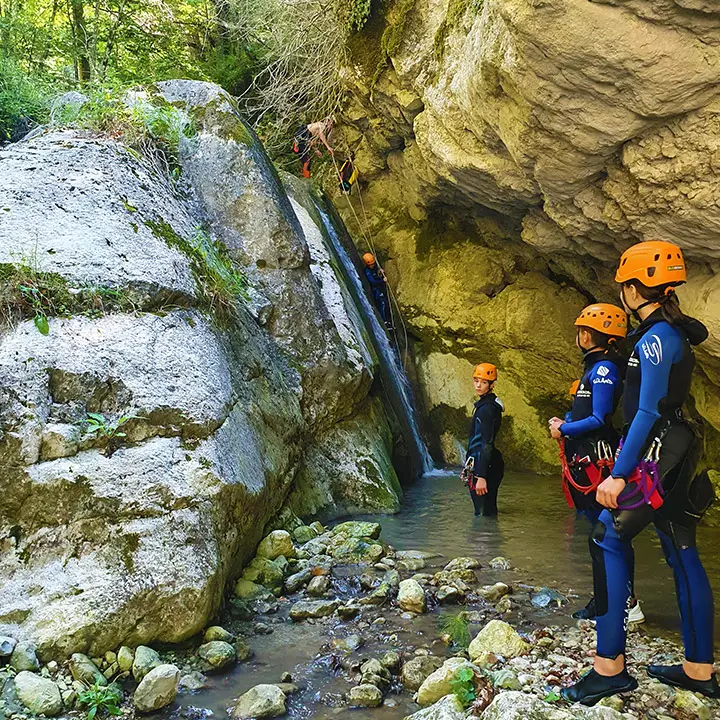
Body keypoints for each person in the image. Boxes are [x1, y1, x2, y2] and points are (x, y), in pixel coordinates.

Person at [562, 240, 718, 706]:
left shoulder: (653, 340)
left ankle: (608, 668)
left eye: (624, 287)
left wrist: (619, 474)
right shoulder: (673, 332)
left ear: (633, 288)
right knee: (681, 548)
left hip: (656, 454)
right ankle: (697, 669)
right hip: (680, 450)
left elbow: (647, 413)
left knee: (607, 535)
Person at [548, 304, 644, 625]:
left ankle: (620, 602)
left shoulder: (603, 369)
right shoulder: (597, 367)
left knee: (606, 533)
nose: (578, 336)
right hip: (587, 457)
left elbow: (599, 417)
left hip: (596, 460)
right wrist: (568, 421)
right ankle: (609, 599)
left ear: (587, 335)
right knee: (602, 533)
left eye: (580, 331)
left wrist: (564, 428)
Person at [464, 363, 505, 517]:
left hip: (483, 465)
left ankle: (485, 539)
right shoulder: (489, 405)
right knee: (487, 511)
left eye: (483, 382)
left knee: (482, 514)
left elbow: (486, 443)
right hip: (486, 462)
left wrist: (481, 476)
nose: (478, 385)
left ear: (492, 385)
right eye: (476, 380)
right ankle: (490, 538)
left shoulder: (486, 410)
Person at [362, 253, 393, 330]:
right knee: (382, 303)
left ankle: (388, 321)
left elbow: (376, 272)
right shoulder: (367, 271)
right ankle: (384, 322)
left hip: (380, 288)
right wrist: (383, 281)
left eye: (373, 263)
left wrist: (380, 271)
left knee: (386, 303)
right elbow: (372, 281)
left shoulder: (375, 267)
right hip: (376, 290)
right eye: (371, 264)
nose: (373, 265)